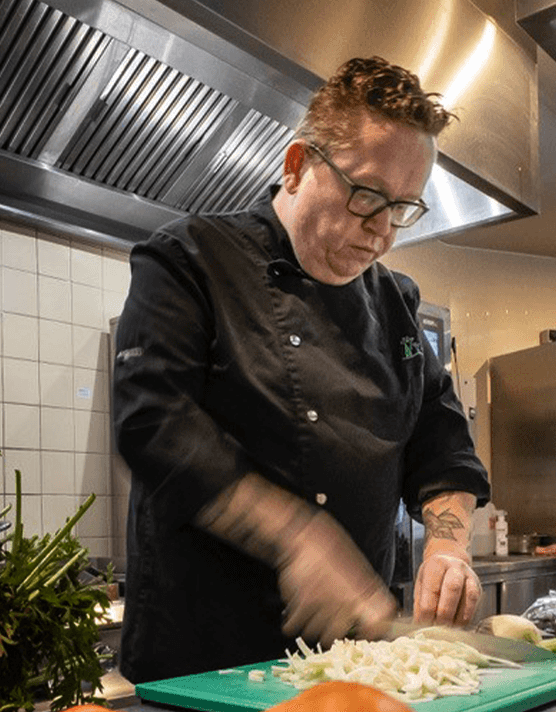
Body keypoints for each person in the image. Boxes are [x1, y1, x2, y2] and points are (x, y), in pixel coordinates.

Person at [112, 56, 491, 682]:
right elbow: (153, 422)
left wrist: (448, 546)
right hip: (206, 666)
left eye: (402, 208)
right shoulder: (189, 260)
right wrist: (297, 536)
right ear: (296, 166)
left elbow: (442, 443)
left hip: (353, 668)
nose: (381, 232)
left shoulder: (396, 304)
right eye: (366, 196)